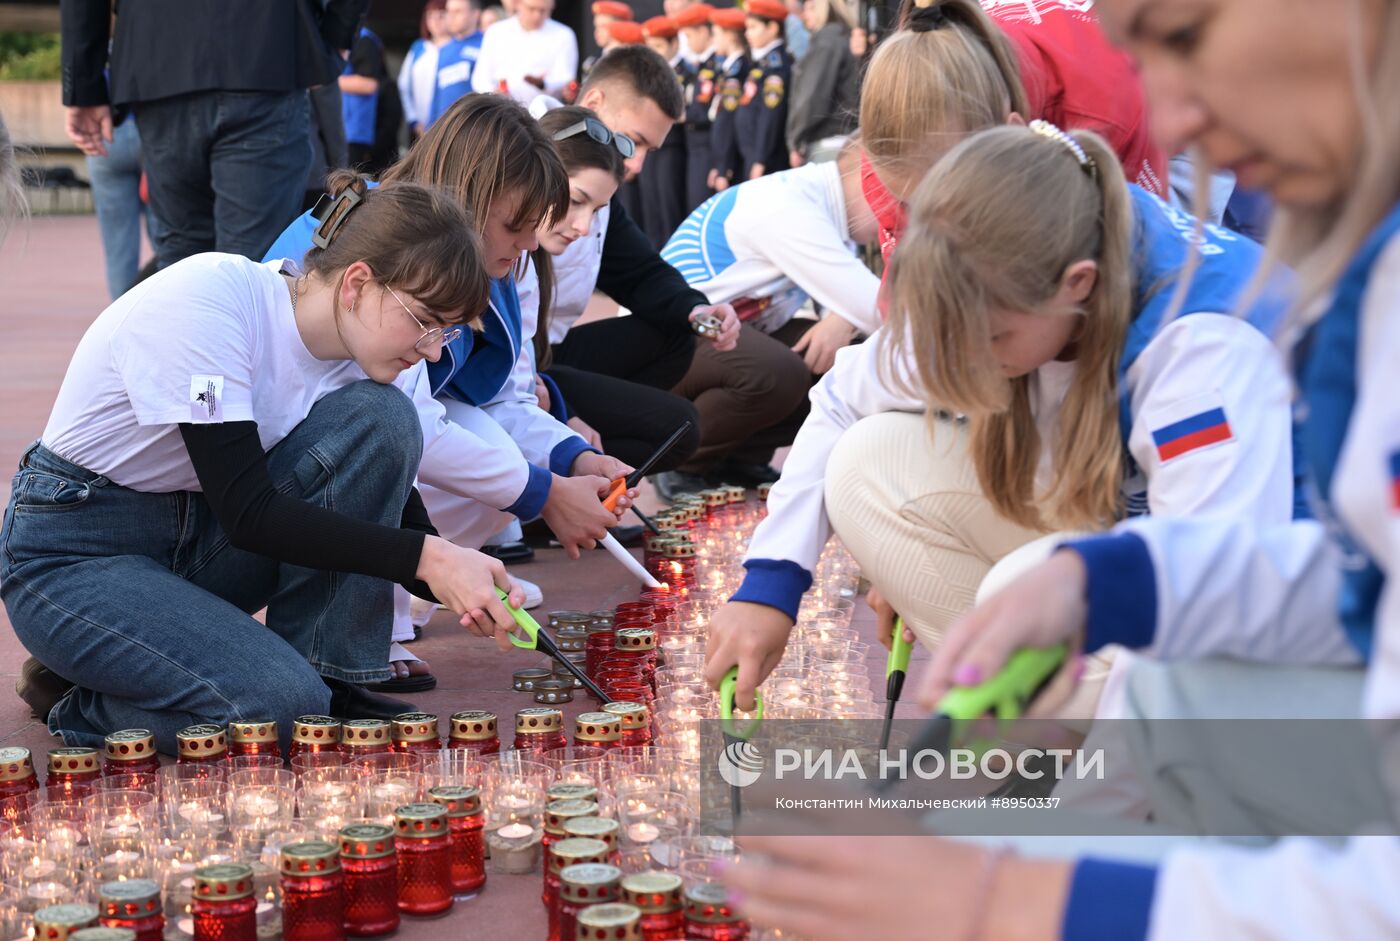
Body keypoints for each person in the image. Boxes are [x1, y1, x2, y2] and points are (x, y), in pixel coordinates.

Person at [721, 0, 1400, 935]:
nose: (1175, 119)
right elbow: (1346, 582)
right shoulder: (1005, 268)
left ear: (1076, 290)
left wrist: (1016, 886)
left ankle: (1085, 780)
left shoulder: (1203, 338)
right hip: (1256, 626)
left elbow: (1226, 640)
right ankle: (1049, 741)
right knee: (918, 490)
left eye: (1186, 43)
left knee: (1146, 687)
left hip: (1324, 761)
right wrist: (1097, 580)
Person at [705, 126, 1300, 715]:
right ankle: (1035, 733)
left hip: (1290, 642)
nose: (963, 363)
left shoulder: (1199, 353)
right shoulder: (995, 274)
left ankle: (1065, 758)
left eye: (992, 338)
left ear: (1078, 286)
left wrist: (1091, 800)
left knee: (1022, 589)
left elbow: (1207, 623)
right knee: (868, 462)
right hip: (1147, 541)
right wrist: (770, 587)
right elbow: (843, 396)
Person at [2, 173, 529, 751]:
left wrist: (463, 579)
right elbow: (249, 513)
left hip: (195, 539)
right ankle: (83, 699)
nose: (432, 349)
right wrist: (431, 559)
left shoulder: (360, 350)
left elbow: (396, 516)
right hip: (75, 555)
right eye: (426, 321)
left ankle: (337, 681)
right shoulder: (208, 304)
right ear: (356, 283)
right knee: (276, 709)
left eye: (447, 332)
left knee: (385, 417)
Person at [266, 94, 633, 691]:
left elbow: (499, 402)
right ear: (473, 192)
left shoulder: (491, 261)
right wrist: (545, 495)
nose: (531, 244)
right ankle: (348, 629)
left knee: (484, 454)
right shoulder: (393, 245)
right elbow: (402, 416)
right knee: (397, 431)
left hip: (356, 435)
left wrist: (571, 458)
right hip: (289, 452)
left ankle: (402, 598)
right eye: (517, 226)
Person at [539, 46, 740, 471]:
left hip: (541, 354)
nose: (638, 163)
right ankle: (552, 494)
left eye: (652, 149)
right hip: (494, 360)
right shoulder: (530, 169)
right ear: (594, 104)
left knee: (676, 331)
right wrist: (560, 406)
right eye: (634, 140)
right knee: (675, 426)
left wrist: (697, 310)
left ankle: (581, 469)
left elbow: (639, 270)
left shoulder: (597, 184)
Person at [61, 0, 367, 268]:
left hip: (161, 56)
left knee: (182, 259)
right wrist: (337, 34)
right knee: (253, 265)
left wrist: (84, 86)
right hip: (266, 49)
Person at [656, 140, 880, 497]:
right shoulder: (789, 205)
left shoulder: (828, 211)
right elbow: (878, 309)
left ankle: (738, 458)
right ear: (868, 174)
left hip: (715, 337)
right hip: (661, 349)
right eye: (901, 199)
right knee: (779, 369)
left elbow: (858, 306)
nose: (901, 216)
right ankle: (677, 462)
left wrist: (843, 319)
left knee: (846, 360)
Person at [86, 117, 165, 299]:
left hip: (106, 133)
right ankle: (166, 316)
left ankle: (121, 318)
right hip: (156, 126)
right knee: (167, 244)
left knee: (118, 251)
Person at [638, 16, 690, 249]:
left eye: (659, 46)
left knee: (669, 206)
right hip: (650, 147)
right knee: (651, 207)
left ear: (674, 44)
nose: (655, 52)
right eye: (651, 46)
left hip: (672, 146)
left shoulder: (685, 71)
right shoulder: (650, 73)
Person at [785, 0, 859, 166]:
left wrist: (796, 139)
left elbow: (812, 96)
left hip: (828, 142)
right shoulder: (843, 35)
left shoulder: (827, 40)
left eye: (811, 8)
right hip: (846, 139)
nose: (805, 15)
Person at [470, 0, 579, 103]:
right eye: (531, 9)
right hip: (503, 112)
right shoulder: (495, 32)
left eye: (543, 10)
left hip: (546, 114)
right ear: (518, 4)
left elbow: (566, 78)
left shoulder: (563, 34)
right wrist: (494, 93)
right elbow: (480, 78)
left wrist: (544, 84)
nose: (537, 15)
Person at [733, 0, 794, 181]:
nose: (747, 33)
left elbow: (771, 114)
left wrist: (760, 158)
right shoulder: (762, 63)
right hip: (752, 154)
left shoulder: (777, 66)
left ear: (773, 28)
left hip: (766, 160)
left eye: (753, 27)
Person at [674, 3, 717, 210]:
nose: (688, 44)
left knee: (701, 204)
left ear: (703, 32)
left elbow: (704, 110)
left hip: (707, 145)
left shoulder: (713, 66)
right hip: (694, 145)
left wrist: (682, 115)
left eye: (690, 36)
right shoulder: (701, 66)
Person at [340, 26, 398, 174]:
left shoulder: (364, 39)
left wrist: (328, 81)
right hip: (340, 130)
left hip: (355, 134)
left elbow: (369, 84)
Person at [706, 7, 749, 192]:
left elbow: (729, 121)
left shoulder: (738, 70)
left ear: (730, 36)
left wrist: (724, 167)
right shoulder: (729, 68)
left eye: (716, 34)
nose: (713, 39)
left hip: (732, 160)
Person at [426, 0, 486, 128]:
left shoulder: (486, 44)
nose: (451, 16)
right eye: (448, 11)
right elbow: (437, 94)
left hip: (474, 126)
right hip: (444, 127)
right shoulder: (444, 50)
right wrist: (429, 127)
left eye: (458, 11)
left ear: (475, 14)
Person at [398, 0, 450, 140]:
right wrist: (413, 120)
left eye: (441, 15)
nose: (435, 21)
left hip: (452, 125)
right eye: (430, 16)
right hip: (421, 128)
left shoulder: (458, 47)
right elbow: (404, 85)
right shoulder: (418, 47)